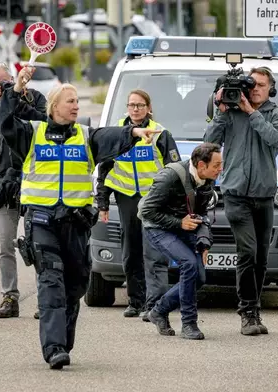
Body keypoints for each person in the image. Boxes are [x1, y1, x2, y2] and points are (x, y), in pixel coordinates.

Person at [0, 66, 162, 369]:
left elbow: (112, 136)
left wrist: (135, 132)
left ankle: (63, 341)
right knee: (51, 280)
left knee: (76, 284)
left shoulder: (85, 136)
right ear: (54, 106)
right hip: (42, 221)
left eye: (76, 102)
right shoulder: (32, 134)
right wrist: (15, 90)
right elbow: (3, 120)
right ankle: (55, 347)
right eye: (70, 101)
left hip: (75, 224)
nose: (75, 106)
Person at [204, 66, 278, 335]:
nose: (255, 89)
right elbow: (208, 144)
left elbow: (274, 138)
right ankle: (248, 312)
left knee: (261, 258)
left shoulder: (276, 114)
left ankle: (255, 309)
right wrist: (221, 111)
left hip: (264, 195)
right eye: (251, 84)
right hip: (236, 194)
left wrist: (251, 113)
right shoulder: (231, 113)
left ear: (270, 89)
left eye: (261, 85)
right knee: (248, 252)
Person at [0, 62, 47, 319]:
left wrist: (17, 95)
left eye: (4, 82)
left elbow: (42, 122)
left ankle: (44, 299)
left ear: (14, 78)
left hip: (35, 180)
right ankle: (9, 298)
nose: (0, 87)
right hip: (5, 180)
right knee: (5, 244)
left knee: (39, 244)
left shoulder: (35, 98)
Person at [96, 89, 181, 319]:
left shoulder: (160, 133)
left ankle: (156, 303)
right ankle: (135, 301)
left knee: (154, 251)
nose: (135, 109)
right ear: (127, 107)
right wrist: (102, 203)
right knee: (130, 250)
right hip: (126, 198)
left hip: (153, 200)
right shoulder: (116, 133)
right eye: (132, 105)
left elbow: (175, 170)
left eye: (140, 105)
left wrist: (173, 200)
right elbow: (104, 170)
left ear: (148, 108)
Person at [140, 143, 222, 340]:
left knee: (199, 277)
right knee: (188, 264)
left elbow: (201, 215)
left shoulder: (207, 180)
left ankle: (158, 311)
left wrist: (204, 242)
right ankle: (189, 324)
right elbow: (147, 211)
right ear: (201, 165)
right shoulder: (170, 176)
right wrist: (179, 222)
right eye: (217, 165)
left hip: (183, 226)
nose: (221, 169)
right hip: (158, 227)